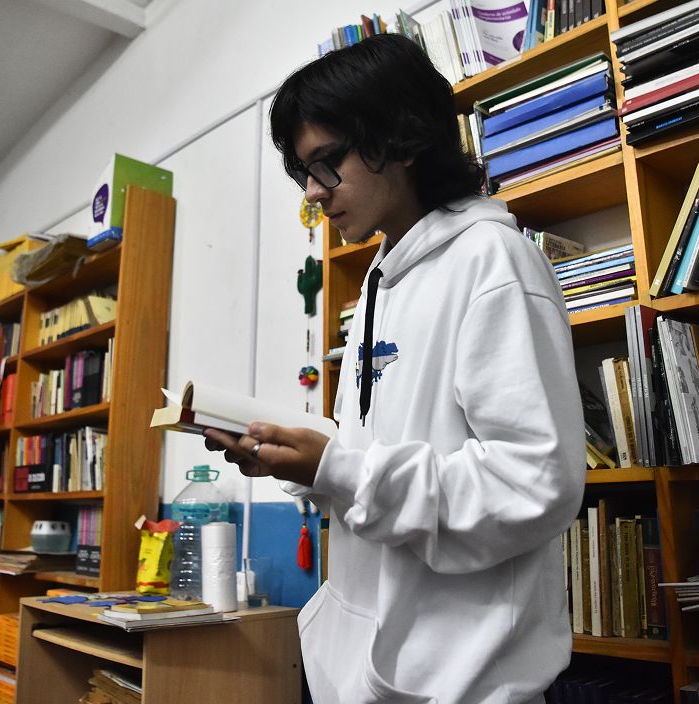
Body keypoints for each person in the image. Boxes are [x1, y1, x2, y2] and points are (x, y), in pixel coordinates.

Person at [205, 34, 585, 704]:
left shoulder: (493, 262)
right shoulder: (382, 279)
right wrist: (302, 464)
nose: (316, 195)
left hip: (462, 686)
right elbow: (380, 463)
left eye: (327, 164)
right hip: (359, 676)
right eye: (305, 174)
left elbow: (536, 485)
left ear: (402, 139)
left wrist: (338, 469)